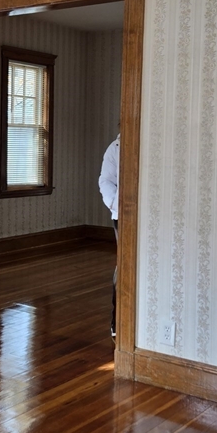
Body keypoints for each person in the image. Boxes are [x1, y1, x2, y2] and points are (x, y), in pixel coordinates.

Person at [99, 132, 119, 339]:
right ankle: (117, 322)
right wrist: (117, 204)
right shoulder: (115, 148)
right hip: (122, 215)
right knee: (122, 267)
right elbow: (105, 181)